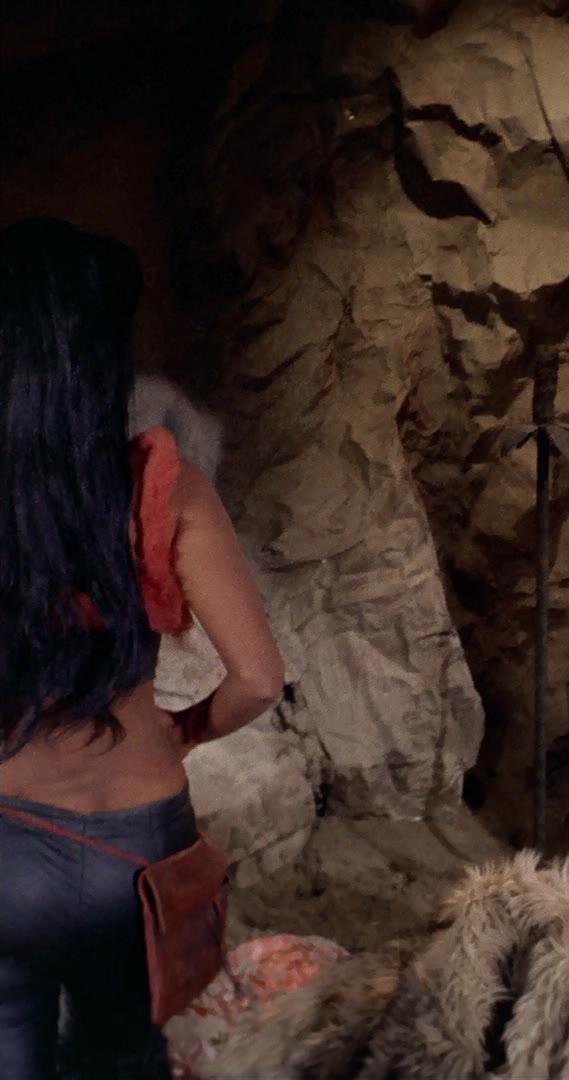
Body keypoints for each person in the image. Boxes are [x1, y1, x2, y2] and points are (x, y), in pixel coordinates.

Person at [0, 218, 284, 1080]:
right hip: (134, 856)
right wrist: (185, 730)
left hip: (7, 844)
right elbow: (257, 681)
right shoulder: (166, 492)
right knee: (122, 1056)